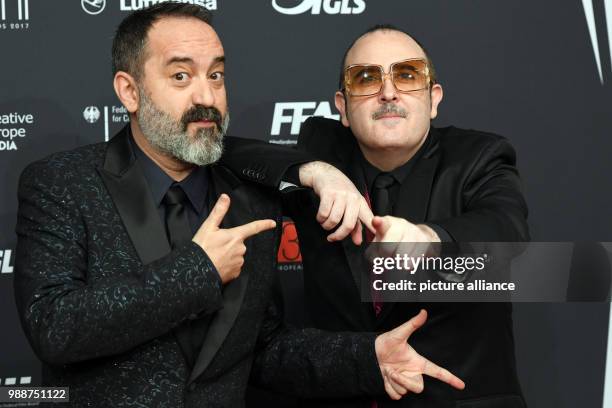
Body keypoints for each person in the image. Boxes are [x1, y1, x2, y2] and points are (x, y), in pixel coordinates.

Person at [13, 7, 464, 407]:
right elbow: (55, 326)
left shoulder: (252, 199)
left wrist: (366, 359)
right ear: (129, 91)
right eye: (180, 76)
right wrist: (198, 270)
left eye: (216, 75)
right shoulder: (63, 183)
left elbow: (261, 349)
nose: (206, 97)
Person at [229, 25, 529, 407]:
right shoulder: (321, 152)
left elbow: (508, 232)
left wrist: (429, 239)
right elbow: (222, 151)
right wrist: (315, 172)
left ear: (434, 99)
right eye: (366, 78)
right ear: (343, 108)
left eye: (407, 75)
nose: (388, 92)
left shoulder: (479, 157)